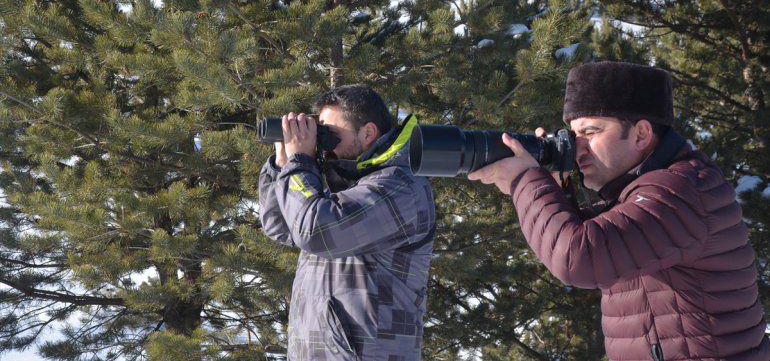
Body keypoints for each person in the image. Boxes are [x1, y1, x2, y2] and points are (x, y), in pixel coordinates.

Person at [468, 61, 770, 361]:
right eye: (573, 136)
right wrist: (556, 190)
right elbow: (601, 238)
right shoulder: (641, 193)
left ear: (641, 134)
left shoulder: (682, 191)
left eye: (591, 132)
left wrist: (526, 180)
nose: (578, 149)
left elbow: (579, 257)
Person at [258, 84, 436, 361]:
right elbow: (281, 226)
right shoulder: (347, 179)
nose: (324, 144)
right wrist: (283, 166)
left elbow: (313, 232)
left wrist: (300, 162)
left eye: (331, 134)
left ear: (368, 132)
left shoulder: (399, 188)